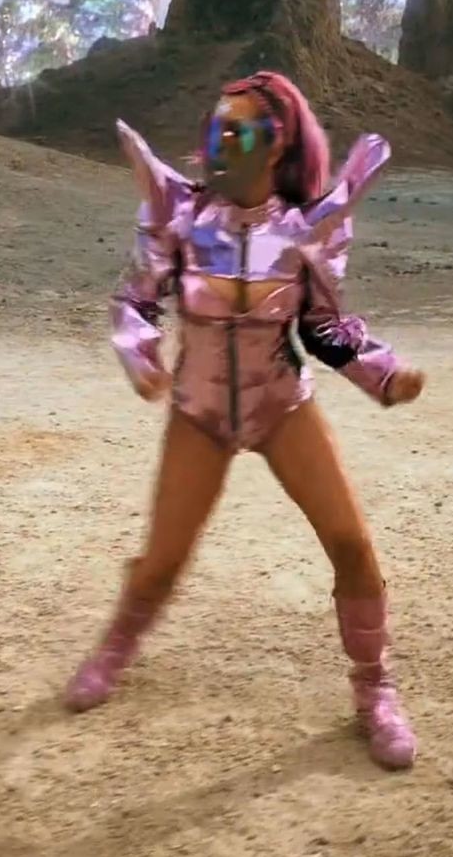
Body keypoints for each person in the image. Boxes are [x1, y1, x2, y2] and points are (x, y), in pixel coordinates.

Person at [65, 71, 426, 770]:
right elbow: (136, 299)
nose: (220, 143)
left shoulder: (302, 232)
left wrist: (384, 372)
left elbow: (324, 327)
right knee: (162, 560)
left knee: (351, 543)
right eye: (215, 128)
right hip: (198, 410)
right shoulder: (180, 218)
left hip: (280, 403)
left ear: (276, 142)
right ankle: (116, 647)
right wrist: (139, 354)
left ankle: (375, 688)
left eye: (238, 131)